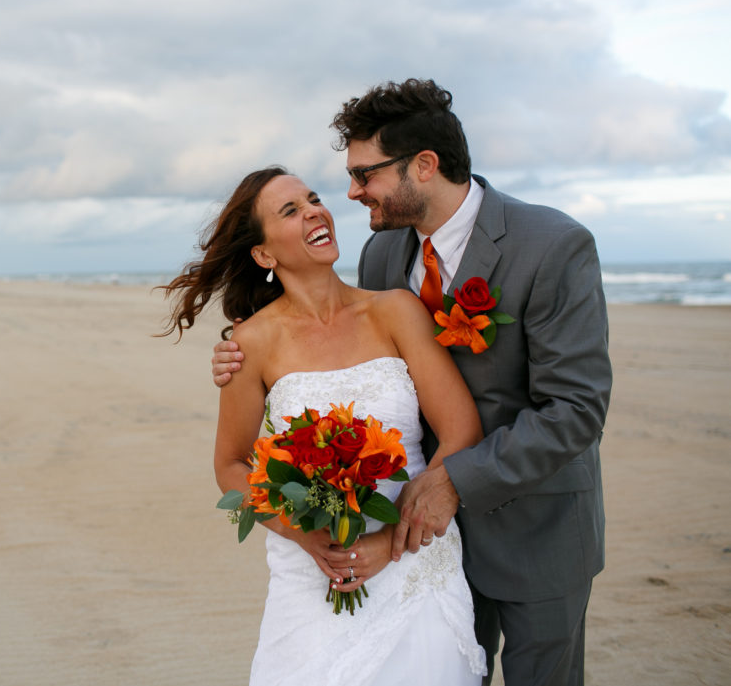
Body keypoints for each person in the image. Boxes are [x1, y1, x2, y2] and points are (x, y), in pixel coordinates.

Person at [211, 80, 612, 686]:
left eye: (364, 174)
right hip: (417, 547)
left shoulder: (553, 245)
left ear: (423, 166)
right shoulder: (382, 258)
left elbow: (576, 410)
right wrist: (240, 355)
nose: (350, 194)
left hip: (534, 529)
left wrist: (451, 483)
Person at [161, 166, 487, 685]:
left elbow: (461, 432)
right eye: (291, 210)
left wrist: (391, 543)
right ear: (264, 255)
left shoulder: (395, 311)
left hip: (416, 562)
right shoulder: (249, 344)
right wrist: (306, 535)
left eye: (313, 199)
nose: (315, 210)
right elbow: (230, 465)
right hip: (313, 573)